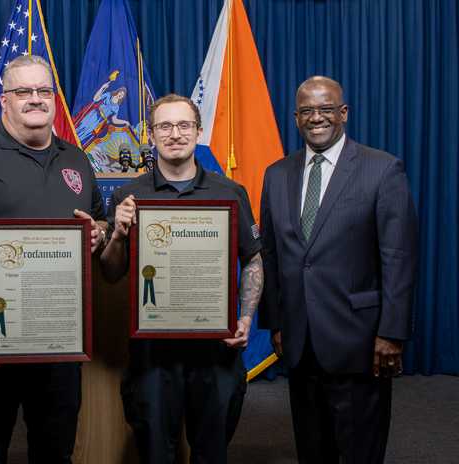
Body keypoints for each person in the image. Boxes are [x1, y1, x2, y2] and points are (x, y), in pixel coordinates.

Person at [0, 55, 107, 463]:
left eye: (44, 91)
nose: (35, 99)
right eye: (23, 91)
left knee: (55, 450)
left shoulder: (77, 159)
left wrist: (98, 231)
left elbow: (96, 220)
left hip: (59, 340)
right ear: (4, 100)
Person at [259, 76, 418, 463]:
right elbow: (271, 254)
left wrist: (392, 333)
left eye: (326, 109)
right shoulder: (276, 174)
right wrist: (276, 323)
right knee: (312, 449)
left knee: (359, 450)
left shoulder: (382, 169)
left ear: (343, 113)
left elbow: (398, 256)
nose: (317, 118)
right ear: (296, 118)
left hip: (360, 341)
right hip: (299, 339)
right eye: (307, 111)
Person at [100, 94, 264, 464]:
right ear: (151, 135)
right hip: (154, 356)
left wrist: (246, 318)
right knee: (157, 453)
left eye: (184, 125)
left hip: (216, 353)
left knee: (212, 452)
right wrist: (119, 234)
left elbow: (253, 259)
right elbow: (111, 272)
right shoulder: (129, 195)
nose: (175, 134)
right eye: (165, 126)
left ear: (198, 131)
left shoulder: (230, 192)